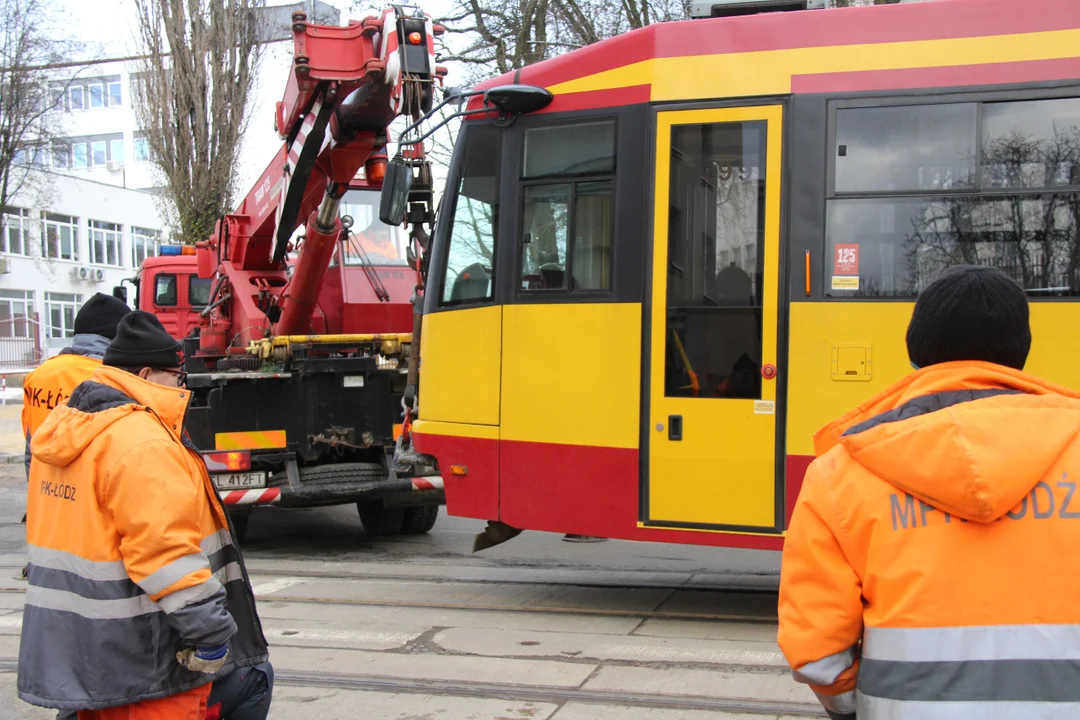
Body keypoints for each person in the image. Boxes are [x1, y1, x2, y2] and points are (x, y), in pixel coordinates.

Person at [778, 265, 1080, 719]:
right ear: (1020, 353)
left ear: (916, 352)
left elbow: (816, 652)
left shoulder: (840, 474)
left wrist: (857, 707)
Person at [19, 311, 271, 719]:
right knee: (254, 679)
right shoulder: (142, 442)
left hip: (82, 653)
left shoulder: (65, 429)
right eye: (177, 376)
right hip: (145, 655)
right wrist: (211, 635)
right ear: (149, 374)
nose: (182, 386)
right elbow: (165, 553)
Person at [20, 292, 131, 477]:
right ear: (120, 336)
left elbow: (30, 443)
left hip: (44, 489)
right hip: (88, 491)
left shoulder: (37, 375)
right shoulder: (113, 379)